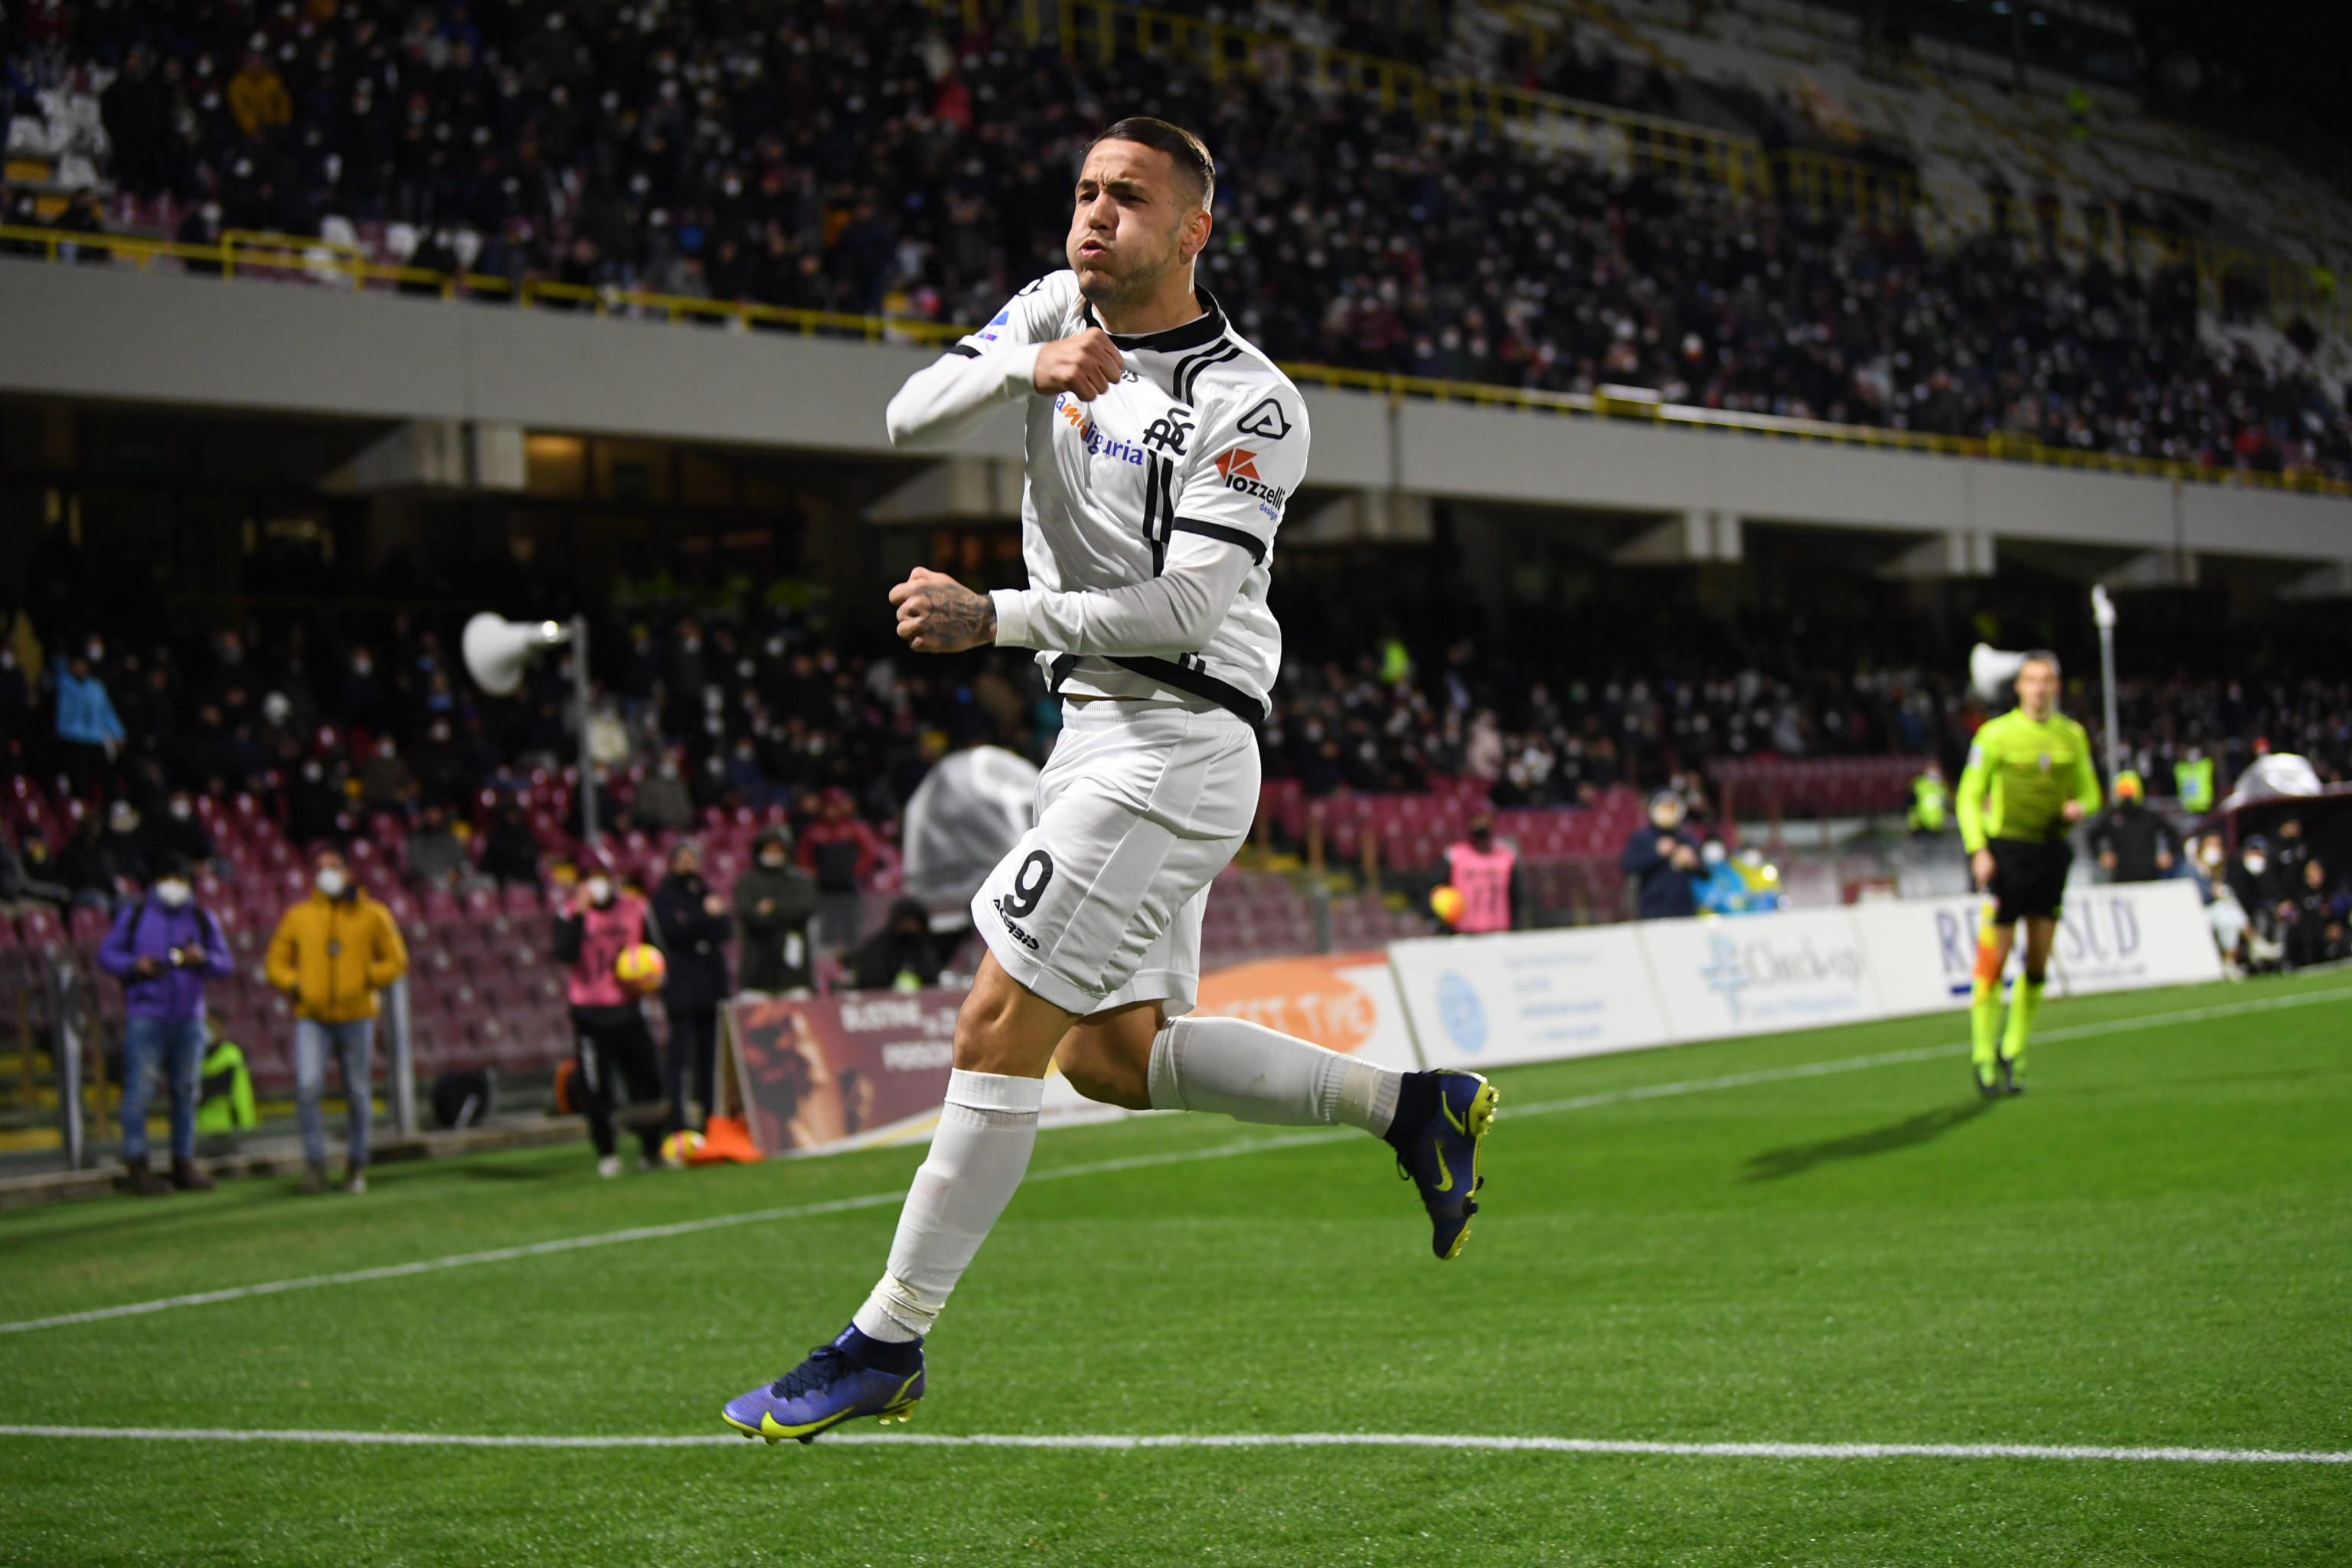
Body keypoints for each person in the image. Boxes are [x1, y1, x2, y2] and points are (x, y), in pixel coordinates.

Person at [720, 117, 1494, 1444]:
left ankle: (886, 1338)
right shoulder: (1050, 310)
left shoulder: (1251, 400)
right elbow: (904, 411)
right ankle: (1411, 1106)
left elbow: (1193, 601)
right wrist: (1031, 360)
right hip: (1097, 730)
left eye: (1125, 198)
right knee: (1111, 1059)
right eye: (1081, 190)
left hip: (1175, 741)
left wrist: (998, 617)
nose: (1093, 216)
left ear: (1192, 230)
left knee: (992, 1029)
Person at [1955, 652, 2102, 1099]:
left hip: (2050, 853)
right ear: (2018, 687)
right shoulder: (1995, 735)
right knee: (1994, 959)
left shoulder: (2071, 737)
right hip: (2006, 854)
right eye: (2031, 680)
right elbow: (1967, 795)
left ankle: (2014, 1048)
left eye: (2046, 681)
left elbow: (2092, 792)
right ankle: (1982, 1055)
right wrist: (1978, 850)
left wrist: (2081, 807)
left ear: (2057, 687)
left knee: (2037, 960)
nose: (2039, 688)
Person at [264, 847, 410, 1194]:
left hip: (357, 1015)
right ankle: (315, 1164)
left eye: (332, 866)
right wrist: (295, 983)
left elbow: (397, 960)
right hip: (311, 1017)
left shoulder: (372, 914)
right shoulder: (299, 916)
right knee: (307, 1087)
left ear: (346, 870)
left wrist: (365, 978)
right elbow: (275, 963)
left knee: (357, 1092)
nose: (325, 872)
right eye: (319, 867)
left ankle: (356, 1164)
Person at [95, 851, 234, 1195]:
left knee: (186, 1092)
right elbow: (106, 954)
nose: (174, 886)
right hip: (147, 1016)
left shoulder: (202, 918)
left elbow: (225, 964)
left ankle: (183, 1162)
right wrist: (135, 965)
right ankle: (137, 1164)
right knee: (139, 1092)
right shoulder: (136, 914)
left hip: (189, 1019)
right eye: (168, 879)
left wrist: (202, 959)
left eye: (181, 879)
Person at [551, 860, 667, 1176]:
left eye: (601, 877)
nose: (596, 885)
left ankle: (651, 1149)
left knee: (647, 1082)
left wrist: (649, 977)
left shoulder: (636, 908)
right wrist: (579, 914)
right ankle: (607, 1152)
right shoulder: (568, 912)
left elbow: (655, 953)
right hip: (589, 1015)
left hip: (628, 1010)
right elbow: (564, 953)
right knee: (595, 1088)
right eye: (588, 879)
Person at [648, 841, 733, 1132]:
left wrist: (698, 921)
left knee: (710, 1057)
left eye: (692, 859)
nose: (688, 865)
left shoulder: (706, 891)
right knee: (680, 1055)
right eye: (682, 859)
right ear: (672, 863)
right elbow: (672, 933)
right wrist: (704, 917)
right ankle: (677, 1118)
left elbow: (725, 930)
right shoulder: (664, 896)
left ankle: (711, 1119)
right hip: (682, 986)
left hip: (711, 985)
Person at [733, 824, 820, 994]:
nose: (773, 852)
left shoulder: (799, 879)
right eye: (769, 847)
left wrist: (774, 908)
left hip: (793, 969)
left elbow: (806, 907)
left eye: (778, 848)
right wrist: (785, 914)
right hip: (757, 968)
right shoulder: (747, 881)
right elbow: (746, 912)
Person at [799, 786, 885, 952]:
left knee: (851, 927)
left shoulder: (854, 828)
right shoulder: (814, 830)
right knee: (827, 928)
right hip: (824, 889)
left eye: (834, 806)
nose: (831, 811)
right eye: (827, 806)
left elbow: (870, 852)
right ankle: (829, 969)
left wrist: (855, 872)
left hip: (849, 887)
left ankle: (852, 961)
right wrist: (816, 875)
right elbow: (803, 858)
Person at [1621, 791, 1704, 920]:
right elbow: (1629, 866)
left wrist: (1693, 863)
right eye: (1663, 807)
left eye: (1671, 808)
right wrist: (1656, 853)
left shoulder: (1686, 839)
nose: (1667, 813)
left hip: (1685, 910)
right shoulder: (1642, 838)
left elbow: (1706, 873)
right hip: (1654, 910)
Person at [54, 654, 125, 797]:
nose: (79, 667)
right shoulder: (63, 683)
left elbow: (107, 712)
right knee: (78, 778)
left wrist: (118, 734)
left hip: (95, 738)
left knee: (106, 777)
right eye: (76, 664)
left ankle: (110, 807)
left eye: (82, 664)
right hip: (72, 738)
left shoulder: (96, 687)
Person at [1439, 810, 1520, 934]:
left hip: (1499, 930)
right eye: (1477, 820)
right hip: (1464, 931)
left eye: (1484, 819)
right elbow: (1436, 888)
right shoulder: (1454, 855)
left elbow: (1517, 895)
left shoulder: (1506, 857)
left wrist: (1516, 924)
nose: (1481, 824)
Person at [2087, 771, 2176, 883]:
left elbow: (2172, 833)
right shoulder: (2112, 818)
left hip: (2150, 877)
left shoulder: (2149, 817)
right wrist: (2101, 855)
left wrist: (2168, 853)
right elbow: (2092, 836)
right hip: (2121, 878)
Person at [849, 897, 945, 991]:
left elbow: (931, 980)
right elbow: (871, 982)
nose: (910, 927)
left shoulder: (923, 948)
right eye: (906, 922)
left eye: (914, 923)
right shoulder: (877, 948)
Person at [1906, 763, 1949, 835]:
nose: (1935, 773)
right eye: (1932, 769)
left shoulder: (1942, 787)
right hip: (1920, 826)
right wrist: (1912, 826)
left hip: (1937, 827)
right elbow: (1911, 807)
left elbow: (1944, 806)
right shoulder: (1918, 785)